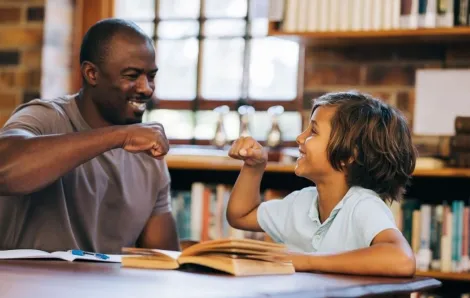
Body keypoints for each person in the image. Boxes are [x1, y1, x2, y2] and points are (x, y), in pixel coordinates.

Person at [0, 18, 180, 253]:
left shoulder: (148, 156)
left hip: (105, 289)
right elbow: (4, 170)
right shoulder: (46, 117)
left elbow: (164, 259)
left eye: (151, 76)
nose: (146, 88)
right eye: (132, 75)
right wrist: (119, 137)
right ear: (91, 73)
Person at [226, 91, 417, 277]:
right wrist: (254, 167)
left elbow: (402, 259)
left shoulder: (363, 205)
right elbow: (240, 216)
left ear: (349, 155)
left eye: (313, 131)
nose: (300, 137)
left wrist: (305, 261)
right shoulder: (300, 203)